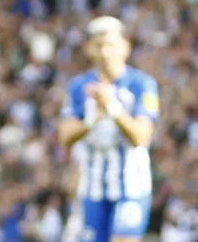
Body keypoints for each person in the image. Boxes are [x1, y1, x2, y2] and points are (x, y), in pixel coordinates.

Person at [58, 16, 160, 242]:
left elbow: (141, 137)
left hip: (131, 187)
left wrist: (112, 107)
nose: (105, 52)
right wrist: (92, 118)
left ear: (126, 46)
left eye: (111, 45)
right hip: (92, 187)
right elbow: (65, 136)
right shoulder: (78, 87)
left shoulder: (142, 84)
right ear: (88, 49)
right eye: (98, 45)